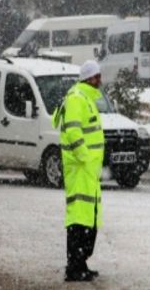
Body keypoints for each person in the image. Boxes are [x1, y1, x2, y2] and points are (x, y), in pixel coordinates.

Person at [52, 60, 105, 282]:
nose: (100, 81)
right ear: (89, 79)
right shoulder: (77, 99)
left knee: (87, 219)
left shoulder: (84, 98)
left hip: (88, 171)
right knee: (79, 220)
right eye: (97, 77)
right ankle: (74, 267)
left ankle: (80, 263)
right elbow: (73, 133)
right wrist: (85, 158)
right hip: (81, 169)